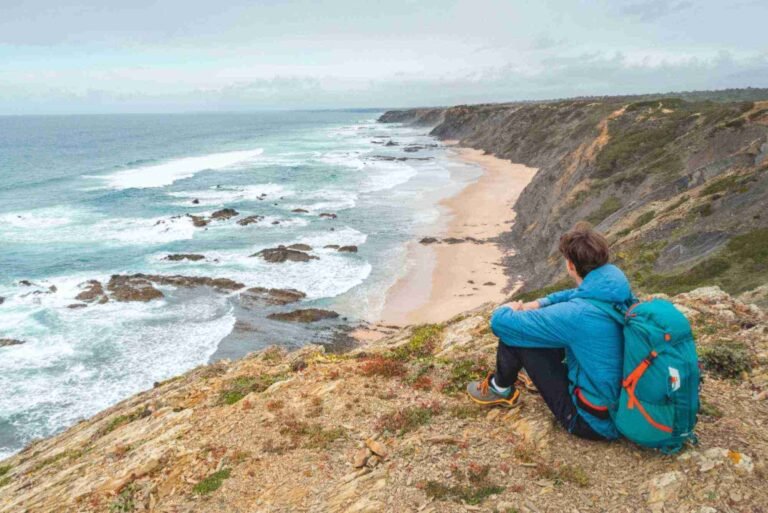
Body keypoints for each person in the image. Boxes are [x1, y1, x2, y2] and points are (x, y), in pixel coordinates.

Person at [466, 222, 635, 441]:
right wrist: (541, 302)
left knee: (516, 334)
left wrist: (509, 308)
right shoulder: (615, 285)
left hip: (592, 422)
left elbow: (501, 323)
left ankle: (499, 389)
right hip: (623, 402)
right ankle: (526, 374)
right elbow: (577, 293)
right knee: (542, 330)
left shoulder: (577, 315)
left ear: (570, 265)